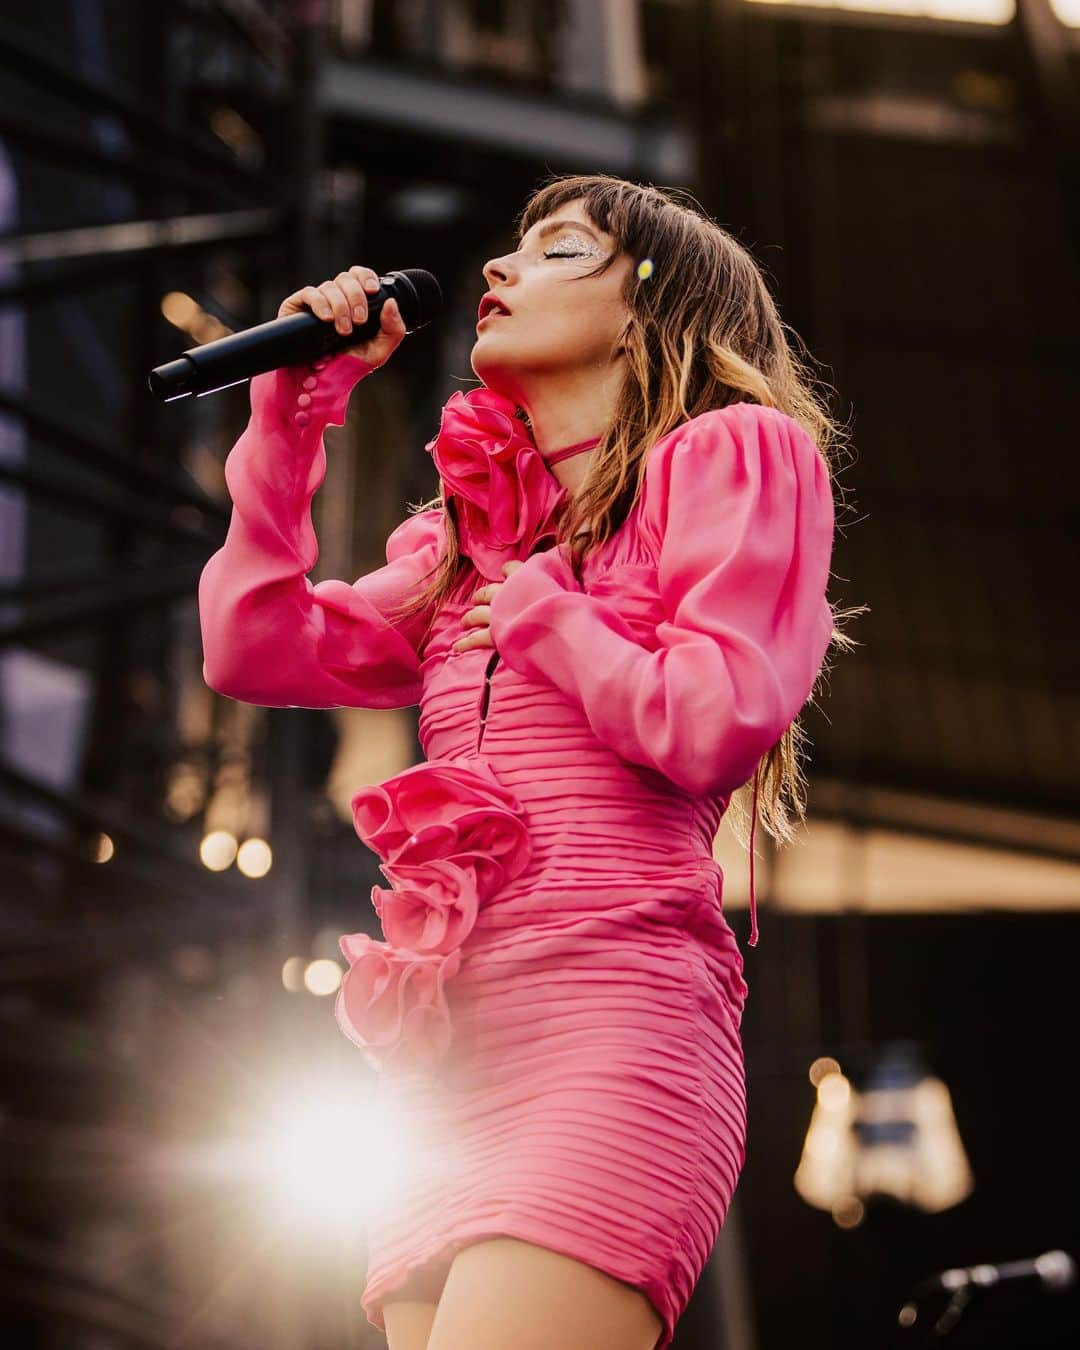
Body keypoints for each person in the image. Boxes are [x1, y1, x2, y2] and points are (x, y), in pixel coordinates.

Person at [198, 173, 857, 1350]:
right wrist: (293, 410)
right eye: (513, 249)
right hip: (449, 1067)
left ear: (653, 305)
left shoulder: (734, 456)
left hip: (612, 1020)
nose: (501, 271)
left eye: (558, 252)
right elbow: (252, 645)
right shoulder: (470, 537)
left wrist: (554, 614)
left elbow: (718, 715)